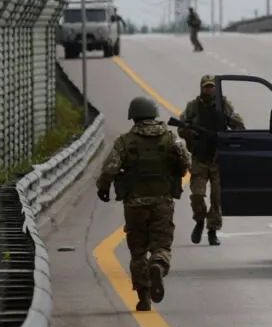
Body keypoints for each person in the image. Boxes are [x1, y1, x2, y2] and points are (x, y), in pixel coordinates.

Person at [96, 97, 190, 312]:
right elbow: (185, 163)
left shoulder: (125, 141)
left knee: (138, 252)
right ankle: (158, 264)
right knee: (162, 245)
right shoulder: (171, 138)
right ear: (154, 113)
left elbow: (110, 169)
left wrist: (103, 188)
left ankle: (144, 297)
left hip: (134, 204)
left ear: (134, 116)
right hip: (162, 201)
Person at [178, 75, 245, 246]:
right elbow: (181, 127)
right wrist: (191, 133)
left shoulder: (223, 105)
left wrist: (228, 136)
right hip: (200, 158)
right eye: (206, 87)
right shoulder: (193, 106)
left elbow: (238, 124)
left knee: (216, 198)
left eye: (212, 87)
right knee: (197, 195)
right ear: (201, 88)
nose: (209, 90)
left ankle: (212, 230)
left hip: (217, 158)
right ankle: (200, 220)